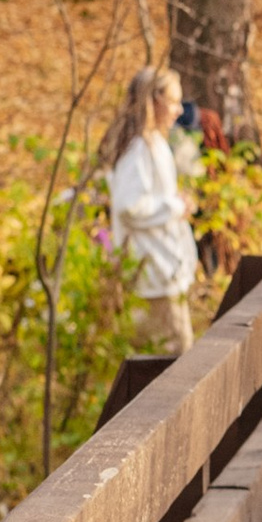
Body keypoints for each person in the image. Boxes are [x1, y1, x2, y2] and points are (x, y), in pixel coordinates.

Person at [104, 66, 198, 354]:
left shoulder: (154, 143)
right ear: (153, 101)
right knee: (172, 367)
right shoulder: (138, 150)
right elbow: (129, 207)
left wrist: (176, 204)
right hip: (154, 280)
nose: (179, 110)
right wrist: (174, 205)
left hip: (165, 276)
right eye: (172, 101)